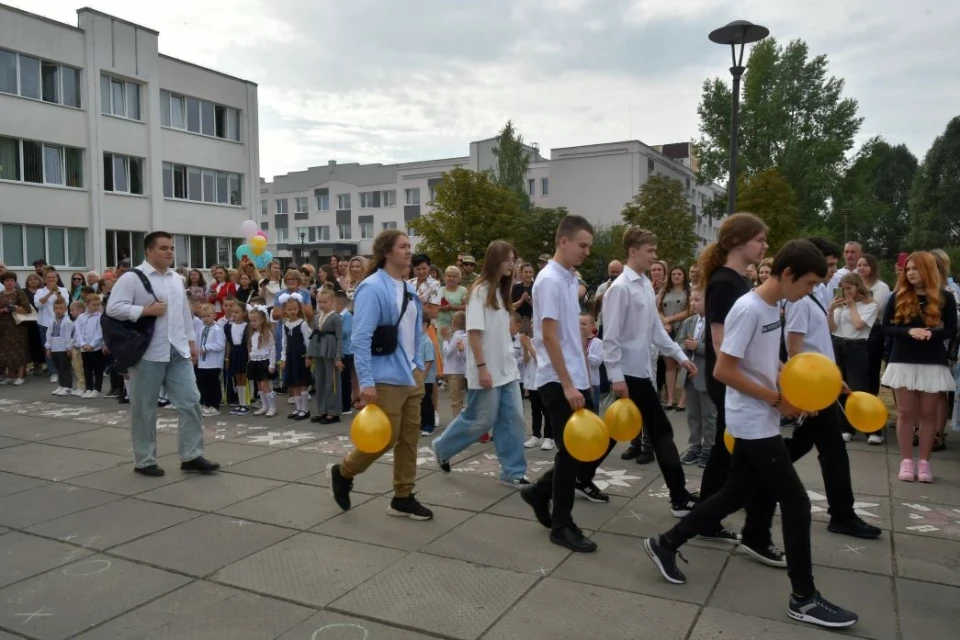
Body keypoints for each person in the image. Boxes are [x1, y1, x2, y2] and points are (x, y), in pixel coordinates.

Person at [645, 239, 860, 630]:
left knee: (735, 493)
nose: (812, 291)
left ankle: (666, 542)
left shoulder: (773, 305)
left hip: (763, 415)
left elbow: (767, 360)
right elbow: (725, 370)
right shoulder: (747, 309)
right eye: (810, 283)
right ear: (789, 274)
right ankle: (804, 598)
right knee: (795, 504)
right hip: (751, 420)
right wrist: (778, 400)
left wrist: (810, 385)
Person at [327, 230, 433, 521]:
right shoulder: (373, 287)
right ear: (387, 252)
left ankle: (403, 497)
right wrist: (367, 382)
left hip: (410, 374)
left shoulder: (409, 290)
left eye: (410, 246)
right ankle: (344, 470)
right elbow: (360, 338)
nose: (409, 251)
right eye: (403, 246)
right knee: (386, 438)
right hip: (385, 375)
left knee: (410, 438)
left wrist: (417, 365)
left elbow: (413, 334)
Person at [521, 215, 610, 552]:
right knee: (572, 452)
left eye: (589, 246)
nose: (586, 252)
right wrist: (569, 384)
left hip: (575, 377)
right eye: (582, 245)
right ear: (564, 241)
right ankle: (562, 525)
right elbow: (549, 336)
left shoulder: (569, 279)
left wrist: (584, 378)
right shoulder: (549, 281)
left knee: (587, 449)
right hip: (558, 381)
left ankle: (539, 492)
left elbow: (573, 336)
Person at [783, 238, 882, 538]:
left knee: (801, 447)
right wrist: (803, 392)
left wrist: (834, 376)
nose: (832, 270)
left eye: (833, 264)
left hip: (823, 384)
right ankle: (842, 514)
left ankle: (747, 483)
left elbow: (822, 341)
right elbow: (795, 350)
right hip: (812, 389)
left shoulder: (816, 296)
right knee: (832, 453)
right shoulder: (799, 301)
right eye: (827, 265)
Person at [602, 227, 699, 516]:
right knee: (662, 431)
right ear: (633, 251)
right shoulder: (619, 288)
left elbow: (656, 330)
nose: (654, 257)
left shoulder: (644, 284)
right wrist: (616, 377)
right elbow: (611, 338)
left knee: (611, 432)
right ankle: (679, 497)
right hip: (630, 374)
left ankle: (569, 480)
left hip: (642, 370)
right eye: (650, 251)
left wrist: (680, 356)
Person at [106, 231, 219, 477]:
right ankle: (145, 460)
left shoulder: (176, 279)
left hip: (177, 350)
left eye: (171, 248)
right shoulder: (132, 278)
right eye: (163, 248)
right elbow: (113, 308)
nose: (169, 252)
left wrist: (191, 341)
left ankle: (191, 455)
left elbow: (183, 313)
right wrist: (145, 310)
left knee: (190, 402)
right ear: (149, 250)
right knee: (144, 409)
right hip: (148, 352)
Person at [692, 212, 771, 546]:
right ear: (738, 242)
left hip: (736, 375)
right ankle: (709, 517)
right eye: (760, 240)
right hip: (727, 378)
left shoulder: (739, 280)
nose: (765, 246)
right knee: (731, 451)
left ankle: (708, 515)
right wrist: (749, 374)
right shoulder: (725, 282)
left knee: (728, 452)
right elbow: (720, 339)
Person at [431, 240, 530, 487]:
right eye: (508, 259)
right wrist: (482, 367)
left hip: (506, 367)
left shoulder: (501, 290)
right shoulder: (479, 290)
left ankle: (513, 472)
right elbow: (474, 332)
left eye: (513, 260)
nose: (512, 264)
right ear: (496, 260)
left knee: (514, 419)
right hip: (486, 368)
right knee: (480, 420)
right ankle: (442, 447)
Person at [882, 252, 957, 483]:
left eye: (915, 268)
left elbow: (951, 330)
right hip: (903, 359)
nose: (910, 273)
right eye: (908, 269)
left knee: (928, 414)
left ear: (928, 270)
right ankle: (906, 461)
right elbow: (886, 327)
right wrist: (909, 331)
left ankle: (924, 463)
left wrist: (931, 334)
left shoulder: (946, 297)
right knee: (905, 413)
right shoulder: (898, 296)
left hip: (932, 361)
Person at [828, 272, 880, 442]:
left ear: (858, 287)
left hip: (857, 346)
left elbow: (859, 325)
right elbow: (832, 328)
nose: (846, 292)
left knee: (859, 389)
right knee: (839, 388)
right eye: (843, 289)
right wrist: (831, 311)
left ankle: (872, 429)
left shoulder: (870, 305)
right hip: (839, 344)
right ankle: (846, 427)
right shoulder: (840, 305)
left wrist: (851, 307)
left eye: (849, 288)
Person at [676, 289, 716, 468]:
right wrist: (684, 347)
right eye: (691, 299)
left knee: (709, 415)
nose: (692, 303)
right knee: (693, 414)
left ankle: (709, 449)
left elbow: (718, 348)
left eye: (697, 299)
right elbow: (678, 343)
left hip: (706, 374)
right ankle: (694, 446)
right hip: (689, 374)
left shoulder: (716, 323)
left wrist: (697, 346)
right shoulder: (688, 322)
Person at [308, 288, 343, 424]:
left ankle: (333, 412)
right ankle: (322, 409)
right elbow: (313, 336)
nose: (322, 304)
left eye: (325, 302)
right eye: (319, 302)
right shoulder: (317, 317)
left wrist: (338, 356)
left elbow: (339, 338)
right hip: (319, 351)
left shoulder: (336, 318)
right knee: (320, 381)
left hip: (331, 351)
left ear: (332, 302)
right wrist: (310, 355)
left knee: (332, 382)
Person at [660, 266, 691, 410]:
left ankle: (683, 400)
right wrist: (664, 321)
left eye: (679, 273)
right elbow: (657, 307)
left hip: (683, 328)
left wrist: (670, 319)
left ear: (684, 276)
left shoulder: (688, 291)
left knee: (683, 365)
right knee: (670, 365)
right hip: (666, 330)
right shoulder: (664, 291)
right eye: (674, 274)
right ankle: (670, 398)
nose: (676, 276)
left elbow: (689, 310)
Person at [279, 296, 313, 421]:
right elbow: (284, 342)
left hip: (301, 356)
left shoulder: (302, 324)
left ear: (298, 309)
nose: (292, 311)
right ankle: (298, 408)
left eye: (294, 309)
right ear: (285, 311)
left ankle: (305, 409)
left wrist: (309, 356)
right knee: (294, 383)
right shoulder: (285, 325)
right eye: (290, 309)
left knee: (302, 382)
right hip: (290, 356)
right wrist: (283, 358)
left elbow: (307, 341)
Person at [35, 269, 69, 384]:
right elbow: (39, 304)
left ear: (57, 278)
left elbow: (65, 303)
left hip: (61, 322)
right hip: (45, 323)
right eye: (48, 277)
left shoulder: (63, 290)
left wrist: (56, 292)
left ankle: (64, 370)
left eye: (53, 277)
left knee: (63, 347)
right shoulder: (40, 291)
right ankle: (53, 372)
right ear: (45, 279)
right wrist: (49, 292)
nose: (51, 280)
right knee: (48, 348)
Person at [521, 326, 553, 450]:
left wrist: (528, 345)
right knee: (535, 410)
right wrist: (525, 347)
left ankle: (549, 437)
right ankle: (535, 435)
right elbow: (526, 360)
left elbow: (541, 360)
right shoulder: (532, 341)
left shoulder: (548, 341)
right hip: (533, 382)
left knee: (547, 411)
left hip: (545, 381)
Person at [0, 272, 32, 386]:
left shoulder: (19, 293)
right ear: (3, 282)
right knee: (6, 351)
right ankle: (10, 376)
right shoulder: (1, 294)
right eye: (7, 280)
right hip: (3, 326)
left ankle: (20, 375)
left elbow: (27, 308)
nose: (9, 283)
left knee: (18, 350)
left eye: (12, 280)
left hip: (17, 325)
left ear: (15, 282)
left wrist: (10, 308)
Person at [247, 307, 278, 418]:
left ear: (262, 320)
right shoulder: (253, 334)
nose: (252, 323)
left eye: (255, 320)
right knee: (259, 385)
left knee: (265, 385)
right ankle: (264, 406)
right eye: (251, 321)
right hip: (255, 361)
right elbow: (252, 349)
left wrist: (272, 364)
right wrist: (250, 359)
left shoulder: (267, 333)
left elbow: (272, 349)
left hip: (264, 361)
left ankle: (272, 407)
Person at [196, 303, 226, 417]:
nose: (205, 319)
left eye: (208, 316)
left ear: (214, 315)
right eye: (203, 316)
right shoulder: (201, 329)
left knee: (213, 384)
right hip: (202, 363)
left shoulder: (217, 329)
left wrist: (206, 347)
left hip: (213, 363)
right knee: (203, 384)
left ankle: (215, 405)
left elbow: (220, 345)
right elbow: (198, 342)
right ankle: (206, 403)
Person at [44, 296, 76, 395]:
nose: (58, 311)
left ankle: (68, 387)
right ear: (53, 309)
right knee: (58, 368)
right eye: (56, 308)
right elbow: (48, 334)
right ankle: (61, 385)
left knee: (65, 368)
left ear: (65, 309)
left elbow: (69, 336)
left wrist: (68, 348)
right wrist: (48, 347)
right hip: (54, 348)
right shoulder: (51, 321)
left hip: (63, 349)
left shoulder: (67, 322)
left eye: (61, 308)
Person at [76, 293, 106, 398]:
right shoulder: (81, 317)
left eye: (98, 305)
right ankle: (89, 388)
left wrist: (92, 344)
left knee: (98, 368)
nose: (97, 307)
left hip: (96, 348)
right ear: (87, 304)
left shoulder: (100, 317)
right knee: (87, 368)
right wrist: (83, 344)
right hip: (84, 348)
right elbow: (78, 331)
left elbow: (100, 332)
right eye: (94, 305)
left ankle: (97, 389)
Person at [441, 311, 468, 418]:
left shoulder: (457, 337)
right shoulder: (464, 335)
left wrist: (445, 340)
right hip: (461, 371)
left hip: (455, 373)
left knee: (456, 402)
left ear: (454, 324)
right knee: (459, 401)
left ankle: (458, 427)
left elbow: (447, 352)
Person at [336, 291, 356, 414]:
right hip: (339, 351)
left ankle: (346, 405)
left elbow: (345, 332)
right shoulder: (338, 316)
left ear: (340, 303)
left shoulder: (348, 316)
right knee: (340, 379)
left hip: (346, 352)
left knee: (345, 379)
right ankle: (340, 402)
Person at [419, 317, 438, 435]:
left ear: (425, 325)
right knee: (420, 401)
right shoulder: (418, 340)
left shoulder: (427, 341)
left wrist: (423, 376)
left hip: (426, 378)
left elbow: (429, 361)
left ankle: (429, 424)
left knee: (426, 401)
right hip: (419, 377)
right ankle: (422, 423)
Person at [580, 313, 603, 411]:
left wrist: (585, 353)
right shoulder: (574, 342)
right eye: (578, 324)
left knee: (593, 410)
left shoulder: (598, 343)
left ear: (592, 326)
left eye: (584, 324)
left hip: (593, 383)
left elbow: (597, 362)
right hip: (578, 382)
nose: (580, 326)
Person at [438, 265, 467, 335]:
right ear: (445, 278)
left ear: (459, 279)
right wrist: (441, 308)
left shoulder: (463, 290)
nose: (451, 278)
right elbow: (433, 306)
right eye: (449, 276)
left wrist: (451, 307)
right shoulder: (439, 290)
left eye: (454, 276)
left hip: (458, 326)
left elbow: (466, 306)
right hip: (441, 324)